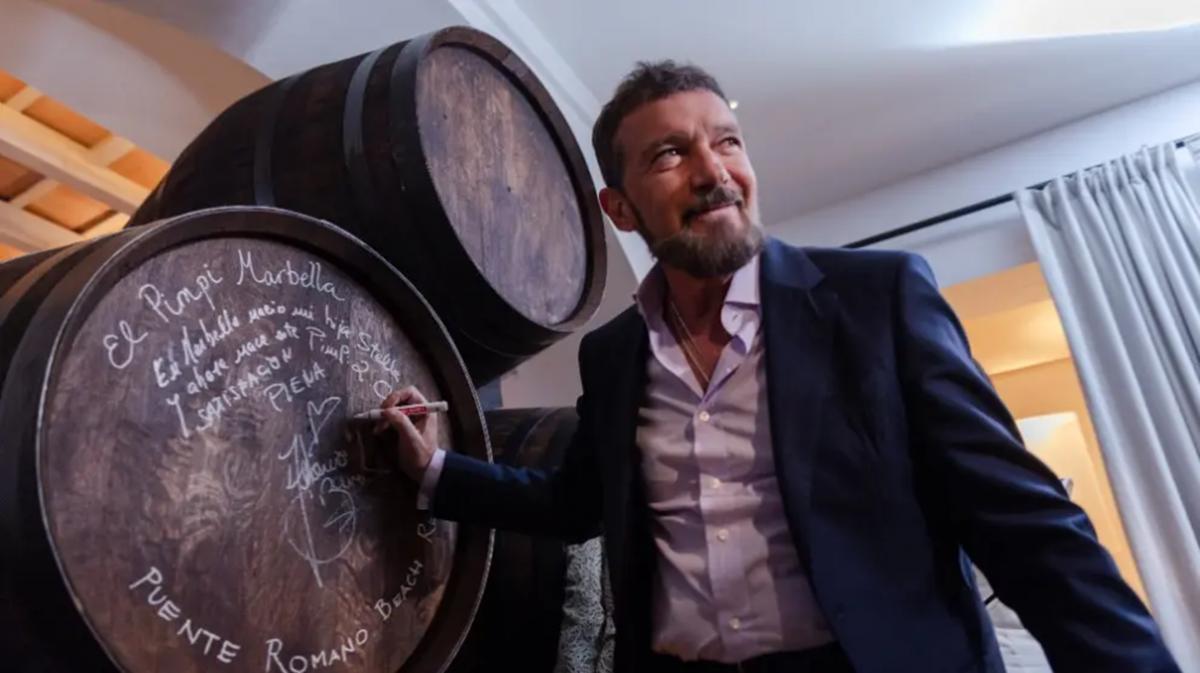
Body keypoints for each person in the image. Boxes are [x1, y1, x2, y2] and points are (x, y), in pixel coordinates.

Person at [376, 61, 1179, 673]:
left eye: (726, 141)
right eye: (670, 154)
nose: (713, 171)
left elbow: (1025, 524)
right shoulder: (613, 354)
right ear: (619, 207)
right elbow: (575, 502)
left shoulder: (878, 298)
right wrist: (437, 471)